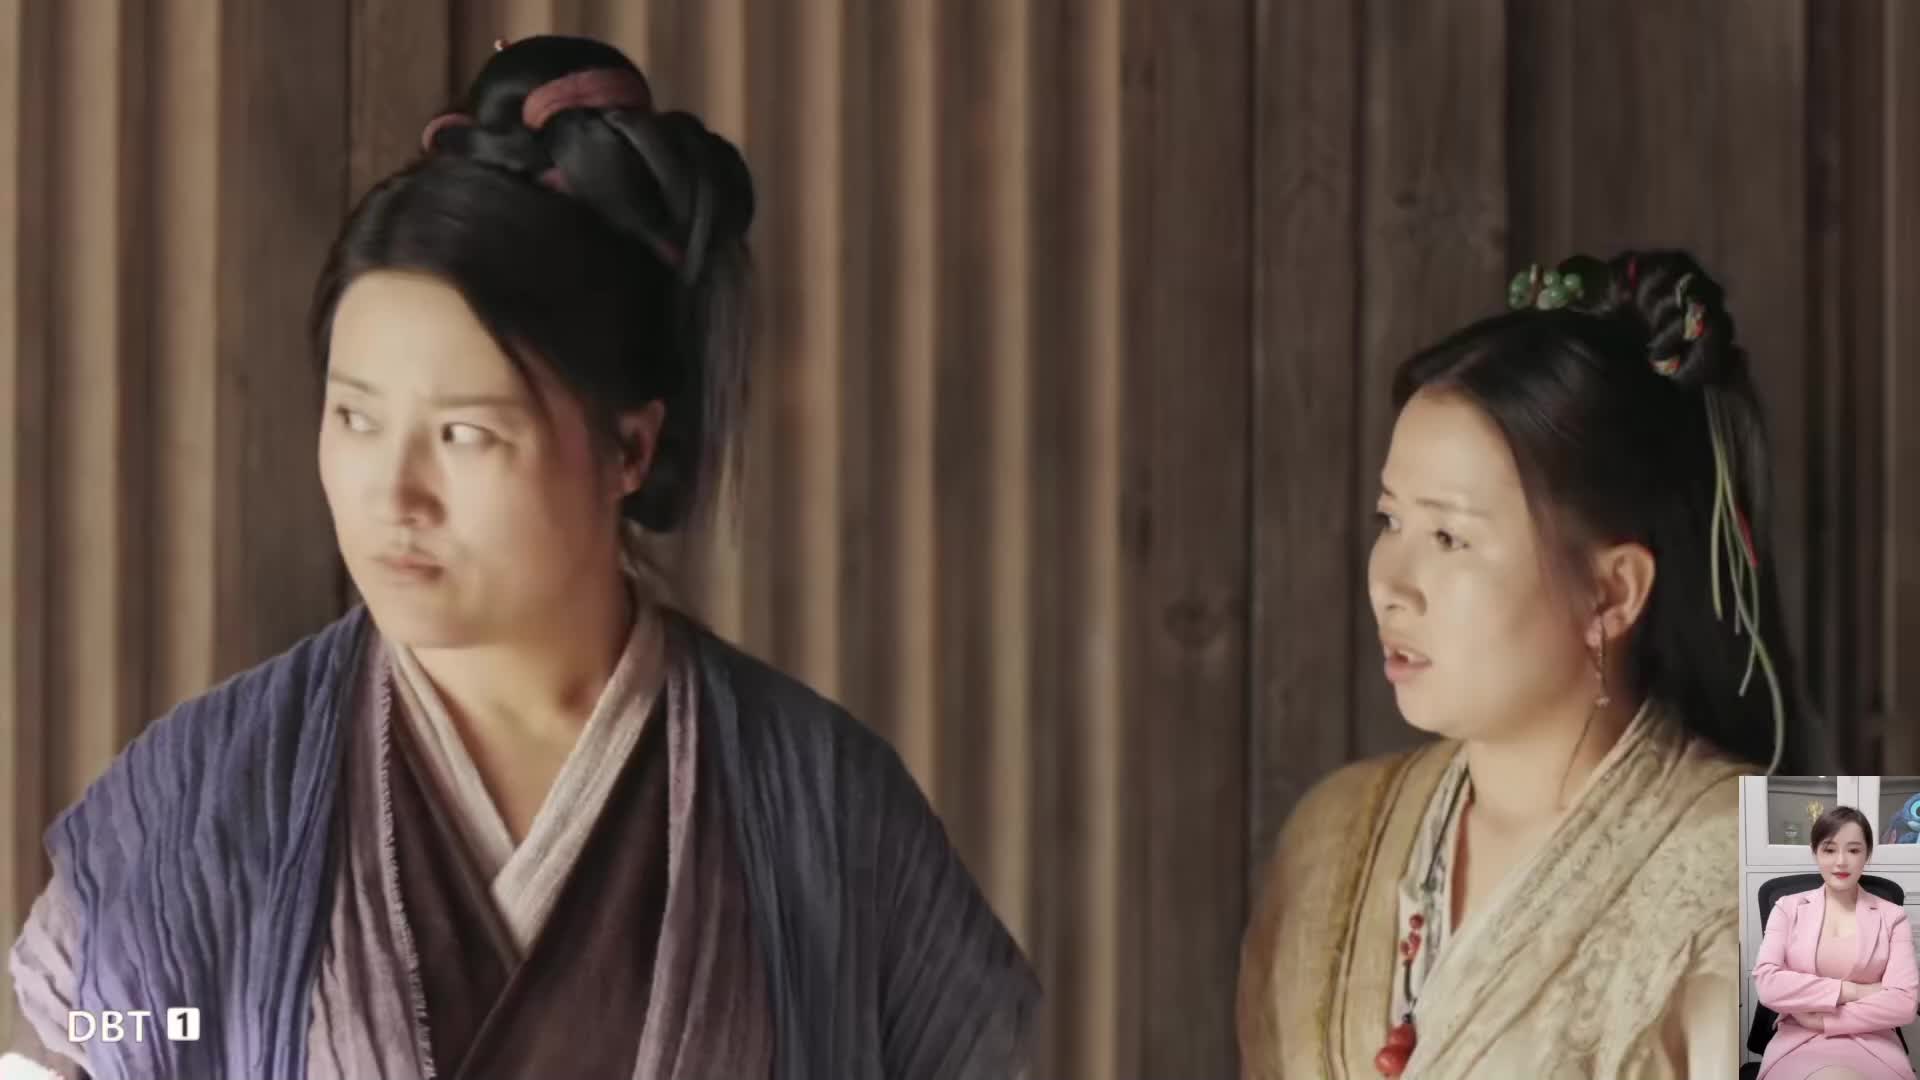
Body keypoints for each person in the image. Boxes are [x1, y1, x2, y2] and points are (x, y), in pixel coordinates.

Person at [5, 35, 1037, 1080]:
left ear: (628, 449)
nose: (392, 493)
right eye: (355, 418)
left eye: (465, 434)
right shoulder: (205, 796)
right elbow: (84, 1043)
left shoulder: (823, 808)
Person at [1238, 249, 1820, 1079]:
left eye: (1449, 537)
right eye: (1390, 520)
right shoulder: (1329, 837)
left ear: (1613, 592)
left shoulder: (1814, 877)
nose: (1390, 583)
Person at [1752, 806, 1919, 1080]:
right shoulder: (1787, 908)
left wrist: (1824, 1019)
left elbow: (1904, 1002)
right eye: (1829, 850)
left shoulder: (1893, 917)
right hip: (1799, 1037)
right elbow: (1768, 984)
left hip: (1872, 1039)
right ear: (1815, 853)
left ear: (1867, 855)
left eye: (1853, 850)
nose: (1841, 861)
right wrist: (1854, 990)